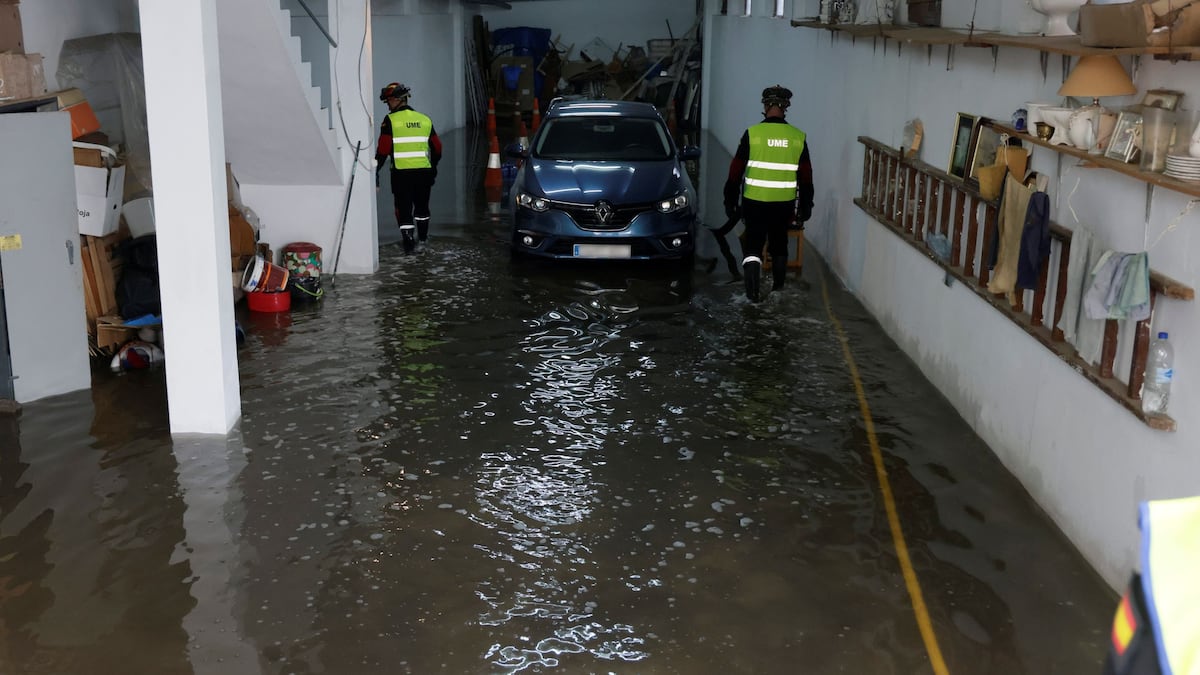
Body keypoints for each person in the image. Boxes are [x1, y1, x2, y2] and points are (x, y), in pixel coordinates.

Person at [723, 84, 814, 302]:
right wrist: (805, 207)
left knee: (753, 246)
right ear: (786, 108)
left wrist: (730, 201)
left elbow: (735, 171)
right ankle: (778, 293)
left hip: (754, 202)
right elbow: (807, 177)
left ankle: (752, 298)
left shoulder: (752, 134)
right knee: (779, 244)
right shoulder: (797, 137)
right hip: (783, 205)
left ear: (765, 106)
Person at [375, 82, 442, 252]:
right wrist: (433, 168)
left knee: (403, 210)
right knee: (422, 207)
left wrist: (375, 170)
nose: (388, 105)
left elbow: (383, 149)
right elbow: (437, 148)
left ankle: (409, 249)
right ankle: (424, 242)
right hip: (424, 173)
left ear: (397, 100)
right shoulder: (424, 119)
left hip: (401, 174)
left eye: (388, 101)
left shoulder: (390, 121)